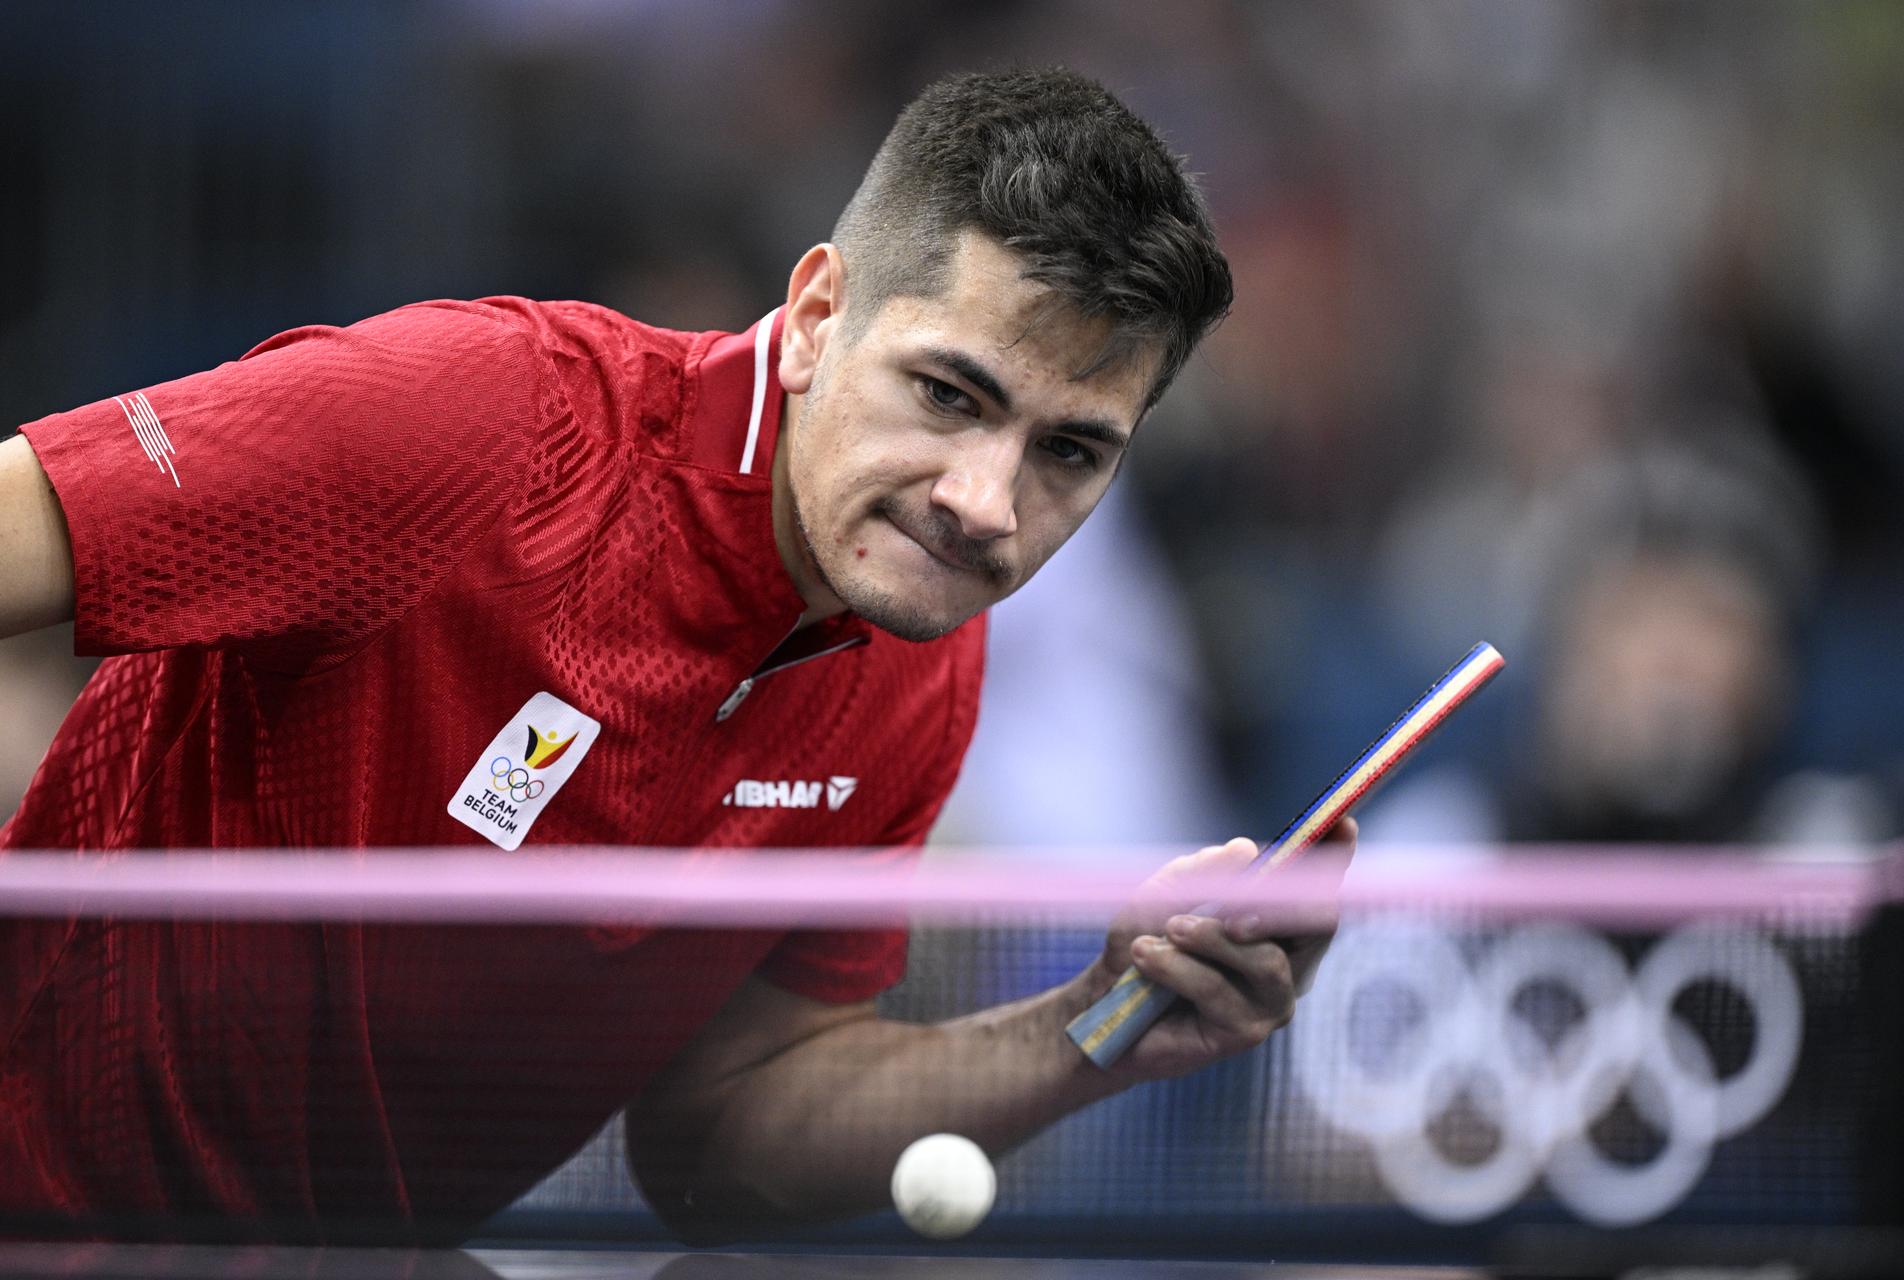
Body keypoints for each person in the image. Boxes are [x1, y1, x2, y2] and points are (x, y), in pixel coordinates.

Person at [0, 69, 1354, 1243]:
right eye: (949, 396)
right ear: (820, 316)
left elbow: (720, 1143)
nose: (986, 504)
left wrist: (1092, 1029)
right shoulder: (481, 423)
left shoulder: (916, 653)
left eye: (1070, 452)